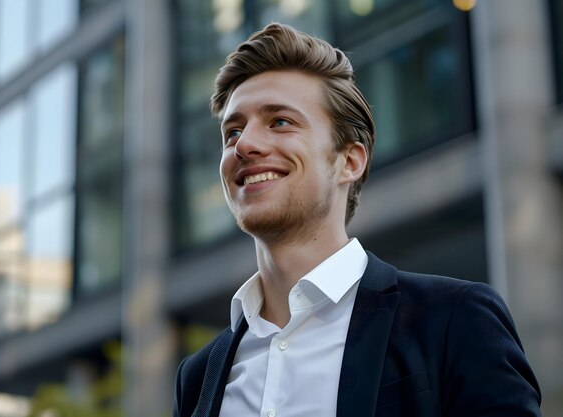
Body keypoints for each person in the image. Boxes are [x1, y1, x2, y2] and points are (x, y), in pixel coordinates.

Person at [173, 23, 541, 417]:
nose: (244, 144)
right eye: (232, 132)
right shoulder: (198, 377)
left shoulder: (455, 319)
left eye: (280, 121)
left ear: (349, 161)